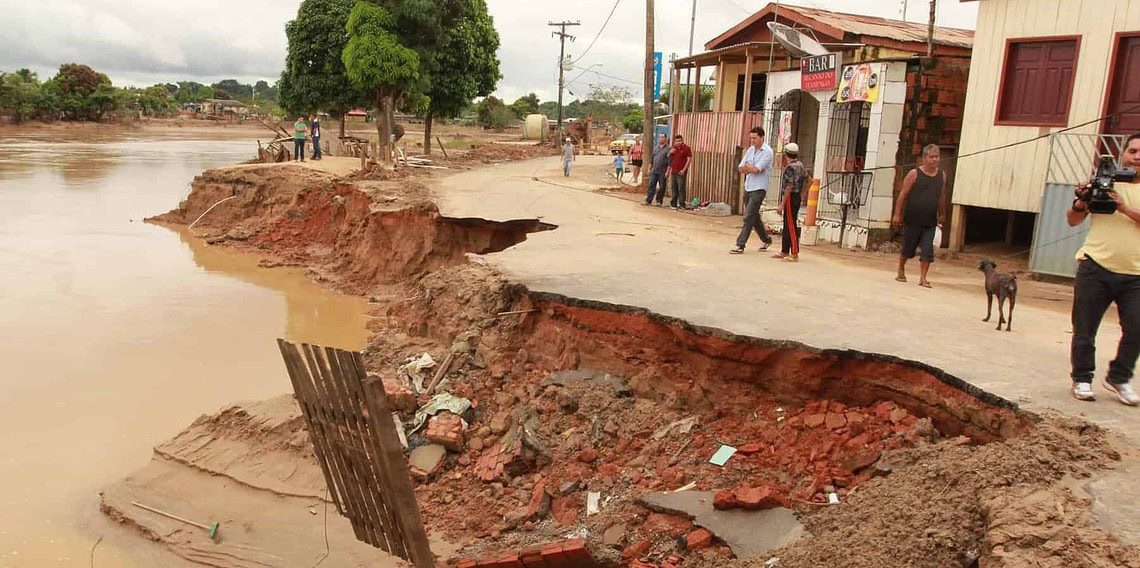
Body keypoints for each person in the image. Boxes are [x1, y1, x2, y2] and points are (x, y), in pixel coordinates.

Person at [1067, 132, 1140, 405]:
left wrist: (1122, 207)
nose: (1137, 156)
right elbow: (1073, 220)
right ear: (1123, 154)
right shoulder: (1104, 182)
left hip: (1136, 274)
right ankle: (1082, 378)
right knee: (1084, 328)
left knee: (1137, 328)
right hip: (1095, 266)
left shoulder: (1123, 194)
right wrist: (1081, 201)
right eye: (1132, 151)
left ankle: (1119, 378)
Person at [893, 144, 946, 288]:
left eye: (937, 156)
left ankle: (923, 278)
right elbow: (903, 195)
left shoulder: (942, 175)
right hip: (913, 219)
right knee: (908, 248)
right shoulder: (914, 174)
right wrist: (897, 214)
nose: (935, 160)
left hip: (930, 221)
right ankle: (901, 269)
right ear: (924, 158)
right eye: (931, 157)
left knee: (927, 250)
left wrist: (942, 213)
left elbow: (941, 195)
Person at [731, 127, 774, 254]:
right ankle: (766, 239)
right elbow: (741, 167)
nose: (753, 141)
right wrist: (751, 168)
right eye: (751, 138)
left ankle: (740, 244)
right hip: (749, 186)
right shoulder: (750, 150)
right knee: (754, 217)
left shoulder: (767, 152)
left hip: (759, 188)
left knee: (748, 216)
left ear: (762, 137)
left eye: (755, 138)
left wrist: (751, 168)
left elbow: (757, 169)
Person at [773, 143, 807, 262]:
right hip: (796, 197)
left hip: (790, 198)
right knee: (788, 224)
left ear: (786, 154)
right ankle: (784, 251)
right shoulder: (800, 165)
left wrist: (782, 204)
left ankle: (795, 253)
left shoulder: (790, 168)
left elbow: (789, 186)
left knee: (791, 225)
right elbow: (809, 180)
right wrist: (802, 194)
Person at [644, 133, 671, 206]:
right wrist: (649, 168)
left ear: (665, 138)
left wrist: (667, 172)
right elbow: (652, 160)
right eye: (660, 137)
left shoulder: (668, 149)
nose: (661, 139)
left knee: (662, 186)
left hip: (663, 171)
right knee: (651, 185)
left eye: (662, 137)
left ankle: (659, 201)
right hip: (654, 170)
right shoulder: (656, 148)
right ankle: (648, 200)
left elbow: (670, 162)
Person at [668, 134, 693, 209]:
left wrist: (684, 169)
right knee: (674, 187)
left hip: (681, 172)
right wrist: (670, 152)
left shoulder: (686, 148)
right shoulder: (674, 148)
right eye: (676, 141)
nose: (678, 142)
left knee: (681, 188)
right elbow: (668, 157)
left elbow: (689, 159)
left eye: (679, 141)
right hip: (674, 171)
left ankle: (682, 204)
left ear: (682, 141)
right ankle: (673, 204)